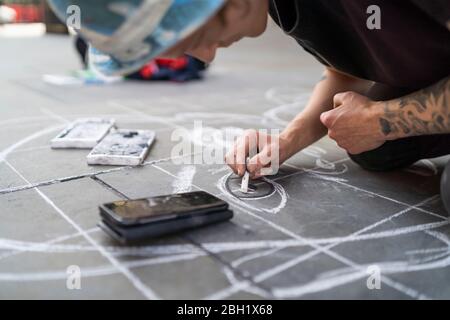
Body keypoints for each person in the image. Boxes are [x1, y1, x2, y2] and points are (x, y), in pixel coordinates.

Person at [48, 0, 450, 213]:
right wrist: (288, 141)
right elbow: (345, 72)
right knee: (375, 151)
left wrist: (384, 120)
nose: (205, 58)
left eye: (198, 35)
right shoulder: (283, 5)